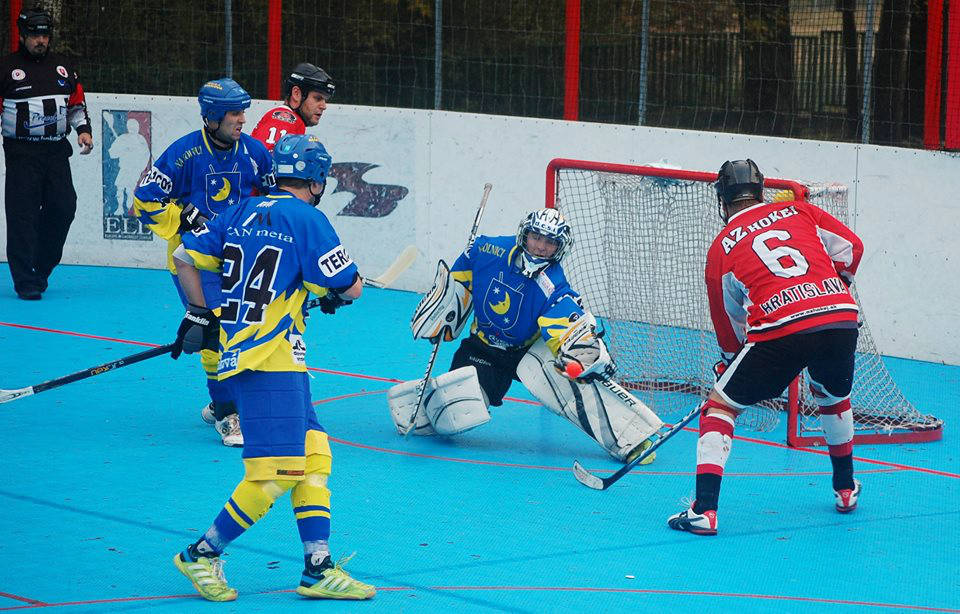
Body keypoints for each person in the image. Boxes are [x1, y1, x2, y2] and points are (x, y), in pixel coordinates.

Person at [169, 133, 373, 602]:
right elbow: (351, 286)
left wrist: (199, 313)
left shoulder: (240, 210)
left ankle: (317, 568)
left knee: (315, 456)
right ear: (316, 180)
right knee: (272, 474)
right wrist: (335, 291)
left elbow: (183, 257)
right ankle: (200, 554)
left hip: (266, 356)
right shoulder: (308, 218)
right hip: (269, 360)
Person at [668, 159, 864, 536]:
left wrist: (729, 361)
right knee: (832, 396)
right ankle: (844, 490)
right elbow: (852, 248)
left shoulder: (721, 248)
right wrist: (834, 286)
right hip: (839, 317)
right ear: (761, 191)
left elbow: (727, 318)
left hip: (780, 329)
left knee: (720, 406)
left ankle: (704, 510)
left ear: (723, 200)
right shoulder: (799, 210)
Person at [387, 208, 664, 465]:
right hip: (482, 347)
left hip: (527, 351)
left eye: (550, 242)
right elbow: (462, 277)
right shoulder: (486, 249)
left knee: (574, 388)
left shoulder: (554, 285)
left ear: (560, 247)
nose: (541, 246)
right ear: (524, 234)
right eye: (536, 237)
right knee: (457, 408)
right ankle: (422, 409)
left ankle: (631, 439)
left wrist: (584, 354)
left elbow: (565, 325)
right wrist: (447, 304)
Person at [132, 77, 274, 447]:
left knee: (244, 331)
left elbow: (275, 199)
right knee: (214, 334)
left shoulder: (255, 153)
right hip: (192, 261)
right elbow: (144, 201)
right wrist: (180, 219)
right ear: (211, 117)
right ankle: (227, 412)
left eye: (242, 111)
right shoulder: (183, 154)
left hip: (240, 260)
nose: (242, 119)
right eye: (233, 113)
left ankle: (219, 399)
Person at [1, 5, 93, 300]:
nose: (41, 41)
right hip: (22, 154)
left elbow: (76, 105)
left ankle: (40, 268)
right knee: (22, 216)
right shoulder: (6, 69)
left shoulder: (63, 67)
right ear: (22, 35)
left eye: (45, 35)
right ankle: (25, 279)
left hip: (56, 152)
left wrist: (83, 130)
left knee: (64, 208)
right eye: (35, 35)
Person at [251, 63, 335, 151]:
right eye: (318, 98)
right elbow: (264, 157)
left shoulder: (292, 122)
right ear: (296, 93)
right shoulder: (286, 120)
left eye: (325, 100)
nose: (324, 106)